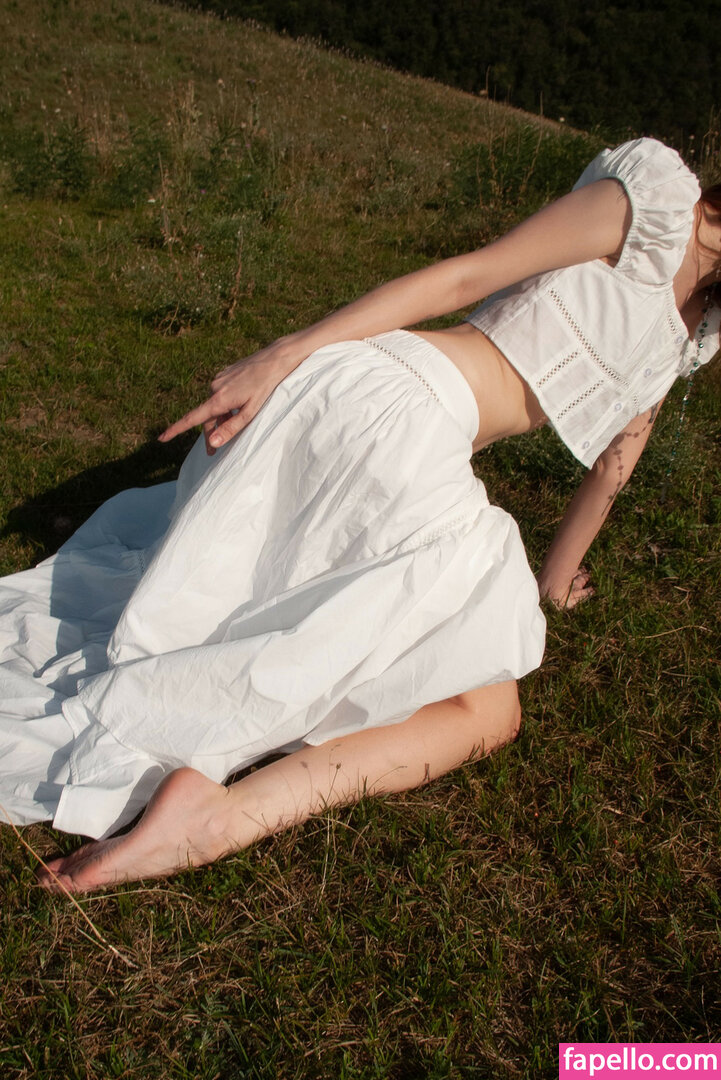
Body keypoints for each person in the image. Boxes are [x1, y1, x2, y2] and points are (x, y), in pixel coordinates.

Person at [1, 137, 718, 893]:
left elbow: (613, 463)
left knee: (304, 621)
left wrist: (557, 580)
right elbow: (467, 275)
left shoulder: (695, 326)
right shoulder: (656, 201)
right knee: (486, 708)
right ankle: (218, 821)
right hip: (398, 411)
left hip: (380, 415)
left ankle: (208, 813)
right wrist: (286, 353)